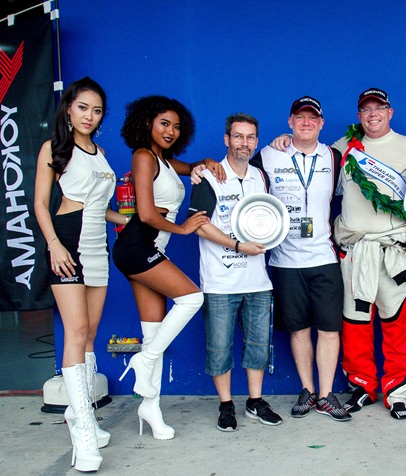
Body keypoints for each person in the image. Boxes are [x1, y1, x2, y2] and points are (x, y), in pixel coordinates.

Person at [331, 88, 406, 420]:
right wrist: (283, 139)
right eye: (365, 109)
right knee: (355, 324)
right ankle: (362, 386)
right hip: (355, 252)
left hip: (396, 252)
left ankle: (397, 392)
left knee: (397, 324)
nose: (372, 113)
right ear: (358, 115)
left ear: (390, 112)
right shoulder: (343, 148)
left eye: (378, 107)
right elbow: (308, 157)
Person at [113, 95, 220, 440]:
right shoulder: (143, 156)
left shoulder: (167, 161)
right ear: (147, 123)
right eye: (164, 124)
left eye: (176, 126)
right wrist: (183, 228)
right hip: (138, 246)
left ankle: (150, 407)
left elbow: (189, 168)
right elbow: (145, 213)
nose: (171, 131)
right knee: (192, 298)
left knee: (152, 331)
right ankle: (144, 361)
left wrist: (203, 162)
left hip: (147, 249)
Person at [34, 77, 122, 472]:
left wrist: (132, 222)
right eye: (83, 107)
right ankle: (83, 431)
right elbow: (40, 203)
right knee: (75, 331)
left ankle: (80, 412)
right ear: (69, 108)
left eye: (97, 109)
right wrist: (53, 244)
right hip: (67, 243)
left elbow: (102, 207)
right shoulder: (54, 148)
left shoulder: (101, 153)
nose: (90, 115)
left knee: (90, 334)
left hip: (97, 248)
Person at [252, 97, 351, 422]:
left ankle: (325, 394)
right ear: (290, 122)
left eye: (313, 118)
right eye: (300, 117)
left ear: (321, 123)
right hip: (284, 261)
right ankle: (308, 390)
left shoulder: (335, 157)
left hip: (324, 257)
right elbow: (237, 178)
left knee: (329, 329)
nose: (306, 122)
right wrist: (203, 171)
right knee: (299, 329)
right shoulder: (268, 155)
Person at [188, 113, 283, 430]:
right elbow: (198, 225)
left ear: (256, 141)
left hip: (257, 280)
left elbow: (268, 220)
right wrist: (237, 245)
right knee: (219, 348)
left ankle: (255, 402)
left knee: (258, 346)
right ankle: (225, 405)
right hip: (220, 281)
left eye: (251, 137)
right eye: (238, 136)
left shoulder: (261, 176)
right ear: (227, 139)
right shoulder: (209, 177)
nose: (245, 143)